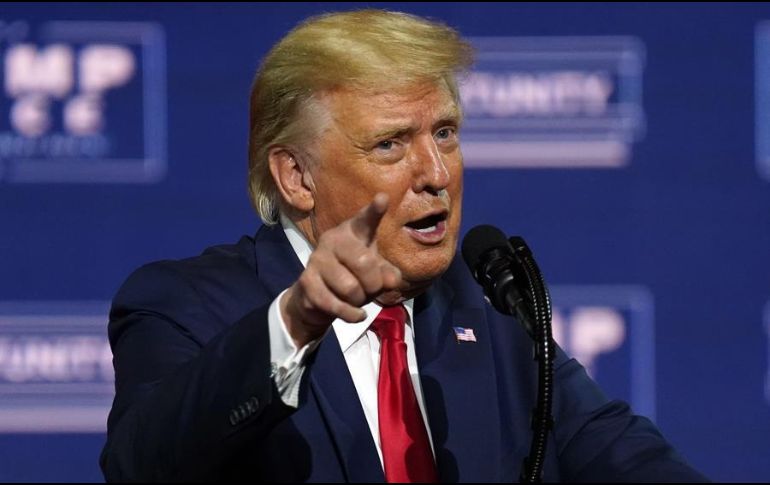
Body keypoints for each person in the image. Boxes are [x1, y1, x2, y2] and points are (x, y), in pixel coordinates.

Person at [100, 9, 708, 482]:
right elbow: (143, 466)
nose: (436, 173)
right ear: (297, 177)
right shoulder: (184, 305)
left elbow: (624, 455)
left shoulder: (490, 314)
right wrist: (296, 321)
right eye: (390, 144)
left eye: (444, 133)